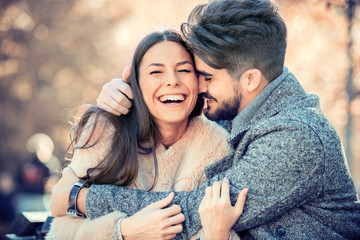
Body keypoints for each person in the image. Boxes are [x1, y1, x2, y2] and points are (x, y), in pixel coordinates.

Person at [51, 0, 360, 239]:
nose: (198, 86)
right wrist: (126, 93)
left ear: (250, 79)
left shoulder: (295, 139)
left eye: (206, 77)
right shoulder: (240, 114)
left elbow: (190, 213)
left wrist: (82, 199)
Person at [48, 29, 247, 240]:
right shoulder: (104, 130)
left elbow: (218, 226)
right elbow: (59, 232)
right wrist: (123, 230)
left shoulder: (216, 145)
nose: (172, 81)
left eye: (184, 70)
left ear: (198, 82)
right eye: (156, 72)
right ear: (136, 83)